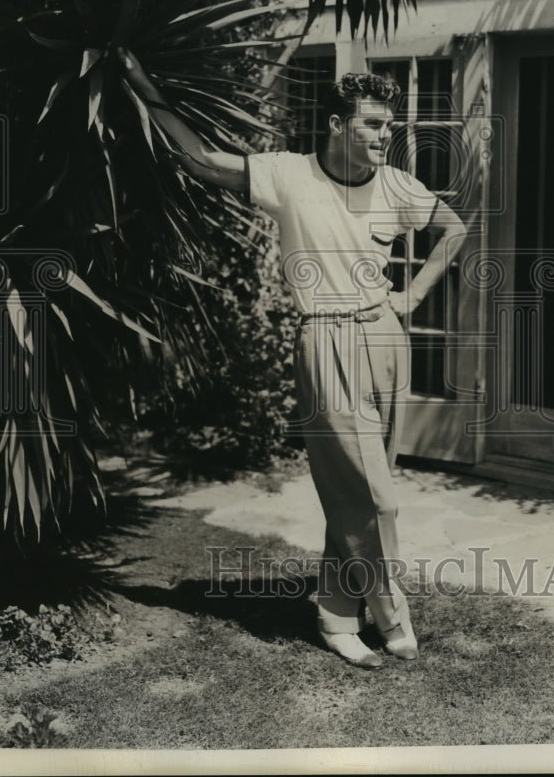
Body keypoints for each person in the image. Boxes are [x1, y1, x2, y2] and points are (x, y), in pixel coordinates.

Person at [119, 50, 467, 668]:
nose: (387, 136)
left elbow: (455, 227)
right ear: (336, 124)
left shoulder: (396, 185)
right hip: (325, 339)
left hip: (385, 337)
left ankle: (335, 617)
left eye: (388, 124)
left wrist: (413, 293)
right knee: (376, 498)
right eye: (373, 125)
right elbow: (199, 159)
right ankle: (391, 613)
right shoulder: (288, 175)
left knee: (354, 491)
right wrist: (143, 83)